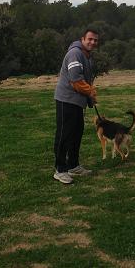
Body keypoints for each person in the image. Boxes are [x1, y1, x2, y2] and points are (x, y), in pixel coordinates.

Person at [53, 29, 99, 184]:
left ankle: (73, 165)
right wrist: (91, 92)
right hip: (66, 100)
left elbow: (85, 81)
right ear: (82, 39)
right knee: (64, 135)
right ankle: (60, 170)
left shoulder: (87, 57)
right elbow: (76, 80)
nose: (92, 42)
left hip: (78, 102)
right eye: (90, 39)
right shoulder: (75, 53)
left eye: (95, 40)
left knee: (76, 134)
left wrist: (90, 98)